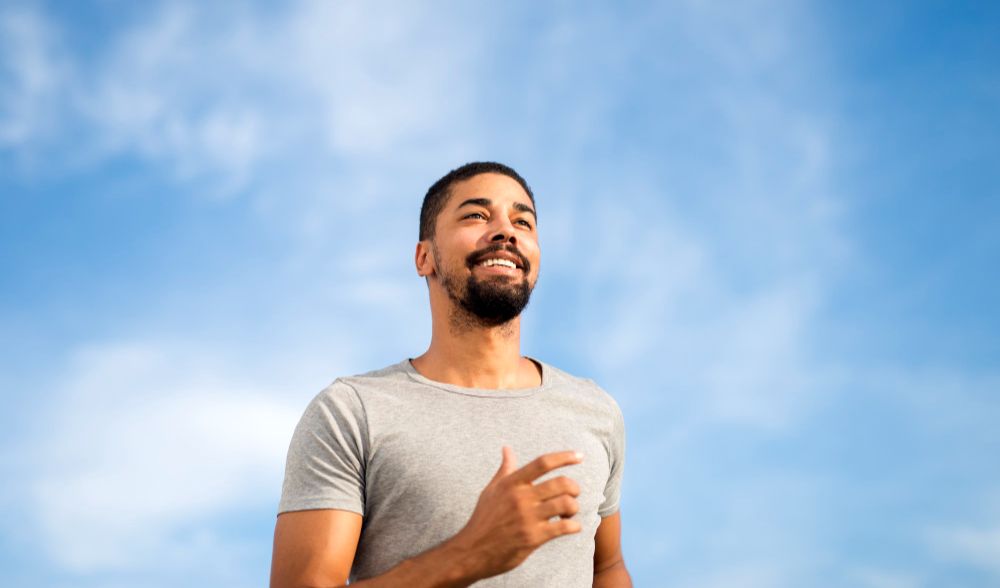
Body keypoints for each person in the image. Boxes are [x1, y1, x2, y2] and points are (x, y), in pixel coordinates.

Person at [270, 162, 631, 587]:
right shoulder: (352, 411)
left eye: (523, 221)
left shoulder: (594, 410)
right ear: (424, 257)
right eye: (477, 215)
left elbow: (606, 567)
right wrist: (469, 553)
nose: (505, 231)